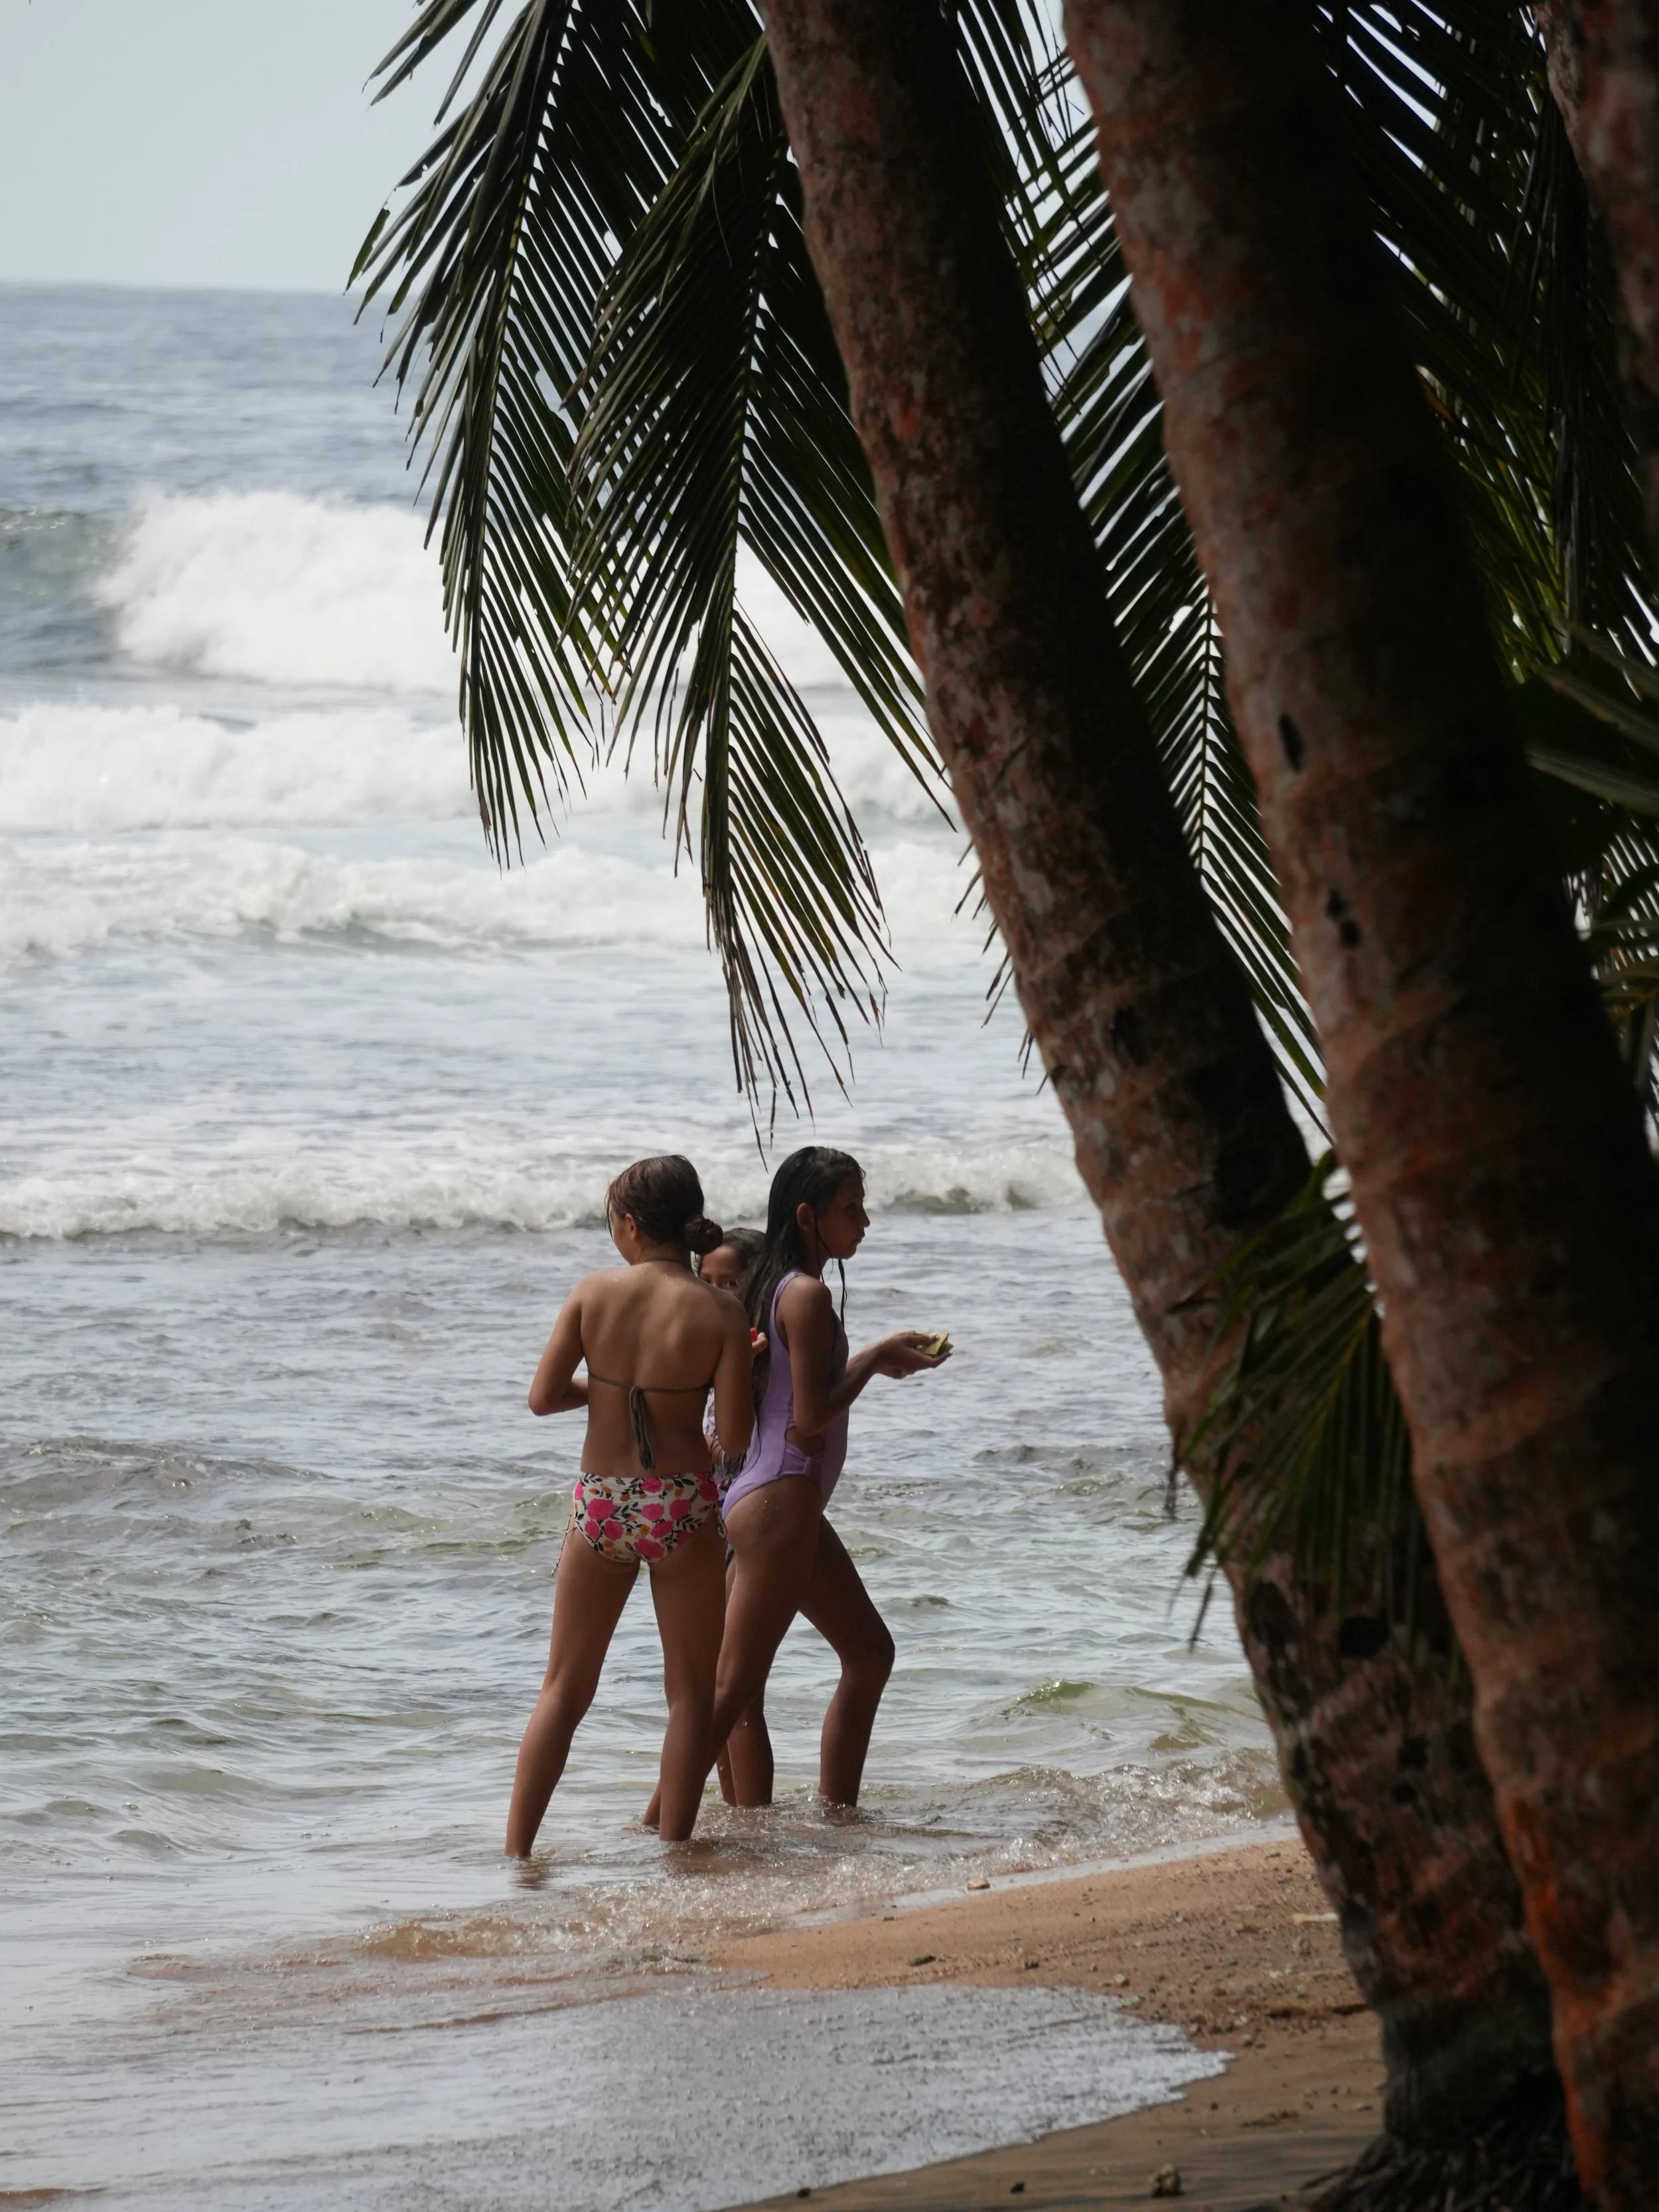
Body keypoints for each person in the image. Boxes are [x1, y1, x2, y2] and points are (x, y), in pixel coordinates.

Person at [649, 1145, 949, 1824]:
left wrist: (876, 1358)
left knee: (869, 1654)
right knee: (730, 1691)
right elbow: (810, 1418)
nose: (864, 1221)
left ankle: (836, 1818)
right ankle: (659, 1835)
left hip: (781, 1501)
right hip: (780, 1499)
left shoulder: (782, 1287)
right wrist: (872, 1358)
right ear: (808, 1215)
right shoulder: (804, 1292)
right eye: (851, 1207)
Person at [505, 1155, 757, 1854]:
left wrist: (612, 1393)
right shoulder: (722, 1311)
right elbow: (733, 1438)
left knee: (563, 1688)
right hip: (680, 1506)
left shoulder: (592, 1294)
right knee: (688, 1696)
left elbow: (543, 1398)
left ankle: (517, 1856)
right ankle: (674, 1852)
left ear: (628, 1226)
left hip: (602, 1504)